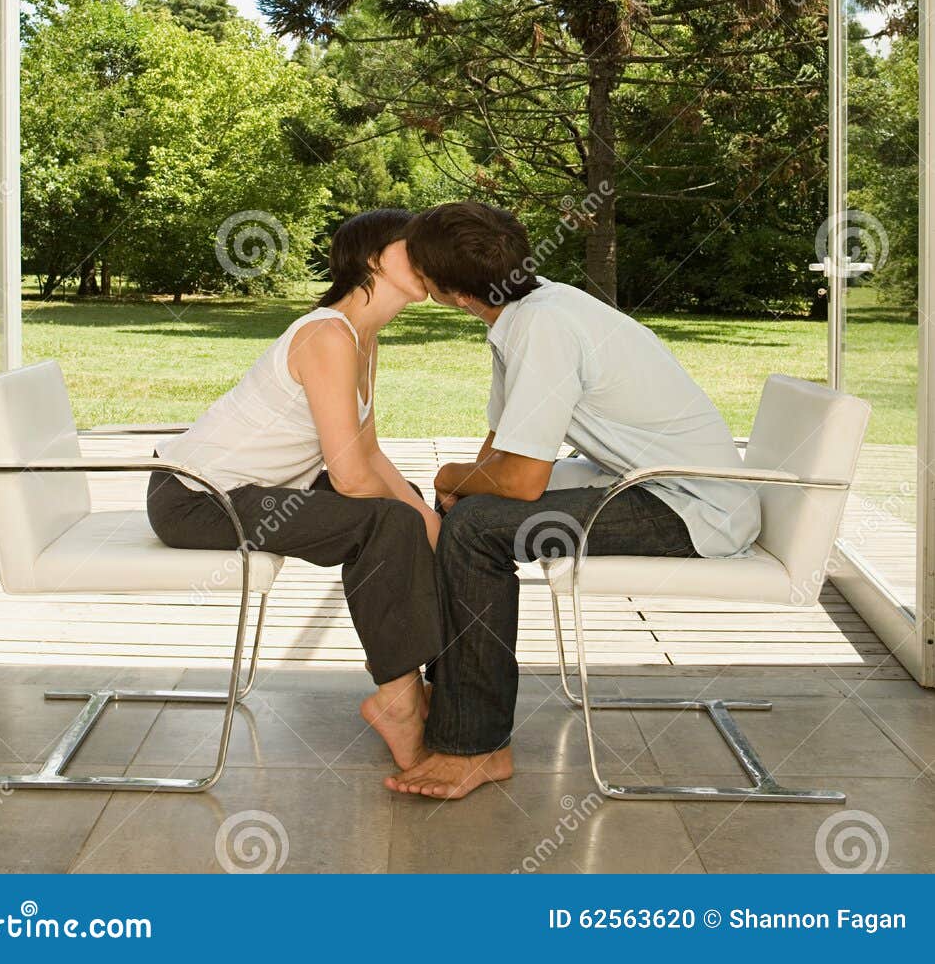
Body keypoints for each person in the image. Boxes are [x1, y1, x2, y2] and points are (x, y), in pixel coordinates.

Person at [387, 200, 761, 801]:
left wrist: (448, 475)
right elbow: (504, 447)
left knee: (477, 526)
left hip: (691, 510)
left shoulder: (543, 326)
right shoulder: (533, 309)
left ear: (452, 293)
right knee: (465, 512)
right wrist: (459, 485)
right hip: (651, 485)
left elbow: (519, 482)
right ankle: (450, 699)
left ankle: (479, 746)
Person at [146, 208, 441, 770]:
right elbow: (352, 477)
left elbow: (369, 453)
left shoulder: (361, 338)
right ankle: (400, 701)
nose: (431, 256)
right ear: (375, 258)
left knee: (410, 508)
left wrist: (429, 516)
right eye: (415, 246)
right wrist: (421, 523)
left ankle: (426, 686)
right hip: (197, 499)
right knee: (387, 521)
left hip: (254, 488)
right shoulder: (327, 335)